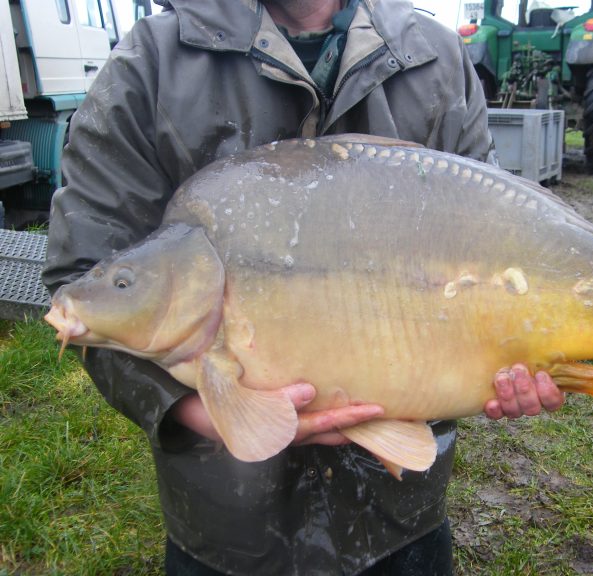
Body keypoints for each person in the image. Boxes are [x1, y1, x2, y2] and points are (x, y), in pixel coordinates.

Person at [42, 1, 565, 574]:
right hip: (226, 526)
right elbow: (85, 272)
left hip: (400, 520)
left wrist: (528, 356)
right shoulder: (153, 61)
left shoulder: (434, 55)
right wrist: (194, 410)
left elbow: (492, 242)